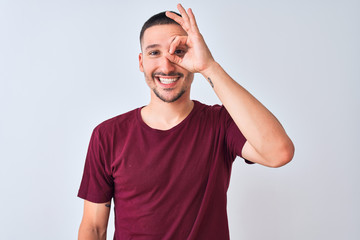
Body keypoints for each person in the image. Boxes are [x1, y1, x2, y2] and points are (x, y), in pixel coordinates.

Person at [77, 4, 294, 240]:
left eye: (178, 52)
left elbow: (279, 152)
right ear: (141, 62)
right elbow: (94, 228)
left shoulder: (220, 124)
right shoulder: (108, 135)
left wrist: (209, 66)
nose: (166, 66)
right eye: (154, 53)